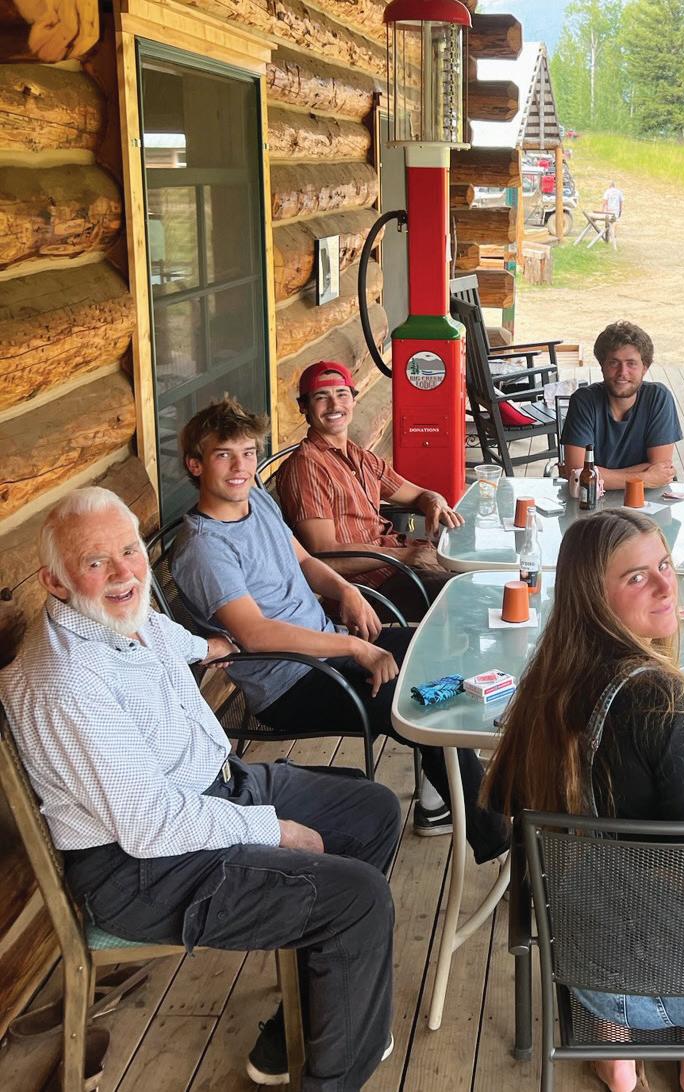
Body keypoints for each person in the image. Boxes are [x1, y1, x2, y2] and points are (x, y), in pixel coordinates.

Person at [0, 488, 402, 1089]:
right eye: (95, 562)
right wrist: (274, 829)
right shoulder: (65, 682)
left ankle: (323, 1008)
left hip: (215, 791)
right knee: (358, 899)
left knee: (372, 810)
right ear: (54, 582)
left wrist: (217, 646)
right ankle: (335, 1072)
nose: (123, 573)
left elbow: (173, 641)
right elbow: (152, 825)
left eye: (129, 550)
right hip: (142, 868)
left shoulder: (121, 618)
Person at [485, 509, 684, 1092]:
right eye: (637, 577)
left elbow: (502, 801)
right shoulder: (669, 703)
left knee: (616, 865)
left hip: (597, 970)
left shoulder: (545, 684)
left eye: (665, 565)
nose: (667, 586)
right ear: (592, 599)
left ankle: (612, 1048)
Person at [170, 397, 508, 864]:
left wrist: (346, 591)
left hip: (327, 648)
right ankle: (500, 843)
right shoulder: (204, 548)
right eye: (224, 455)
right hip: (289, 683)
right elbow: (256, 635)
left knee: (439, 655)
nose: (240, 467)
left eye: (247, 453)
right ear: (196, 465)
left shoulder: (255, 501)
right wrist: (354, 646)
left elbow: (304, 559)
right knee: (421, 703)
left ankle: (458, 799)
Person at [275, 359, 462, 620]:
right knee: (468, 596)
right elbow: (325, 555)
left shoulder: (360, 456)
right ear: (304, 407)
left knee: (479, 575)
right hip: (368, 589)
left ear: (354, 400)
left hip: (400, 564)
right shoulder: (307, 467)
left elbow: (420, 494)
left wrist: (435, 502)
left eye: (342, 394)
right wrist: (406, 556)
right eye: (321, 397)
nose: (334, 405)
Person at [560, 321, 683, 490]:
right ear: (602, 366)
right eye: (614, 363)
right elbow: (577, 474)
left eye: (631, 363)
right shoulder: (584, 401)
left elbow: (661, 469)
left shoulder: (658, 397)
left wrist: (595, 475)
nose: (622, 373)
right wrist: (644, 478)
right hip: (590, 500)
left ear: (644, 368)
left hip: (646, 498)